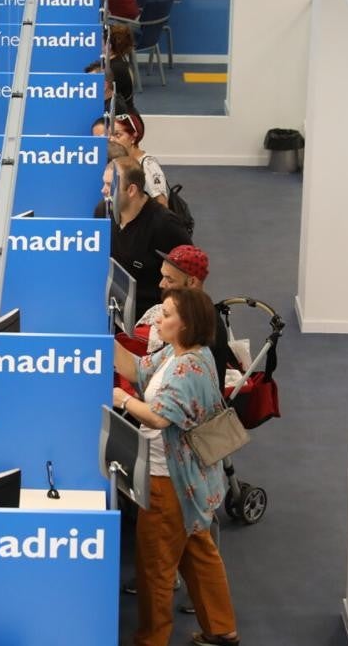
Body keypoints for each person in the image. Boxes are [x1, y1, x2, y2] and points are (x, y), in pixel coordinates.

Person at [112, 288, 240, 646]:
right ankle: (221, 628)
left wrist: (122, 400)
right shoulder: (178, 353)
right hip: (190, 479)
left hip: (168, 479)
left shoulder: (186, 368)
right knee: (197, 550)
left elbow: (157, 418)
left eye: (166, 314)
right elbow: (136, 368)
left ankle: (152, 638)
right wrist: (100, 336)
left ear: (187, 324)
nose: (157, 319)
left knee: (155, 565)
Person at [131, 244, 238, 387]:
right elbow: (143, 369)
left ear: (192, 282)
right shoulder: (189, 315)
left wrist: (125, 401)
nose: (161, 284)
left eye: (170, 280)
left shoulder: (197, 327)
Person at [107, 157, 190, 313]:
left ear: (131, 190)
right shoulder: (102, 212)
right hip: (114, 309)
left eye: (109, 186)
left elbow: (190, 275)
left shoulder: (165, 224)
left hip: (150, 317)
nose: (103, 191)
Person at [112, 112, 168, 206]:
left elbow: (162, 204)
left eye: (117, 135)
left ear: (134, 136)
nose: (112, 139)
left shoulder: (148, 165)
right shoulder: (120, 160)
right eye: (110, 135)